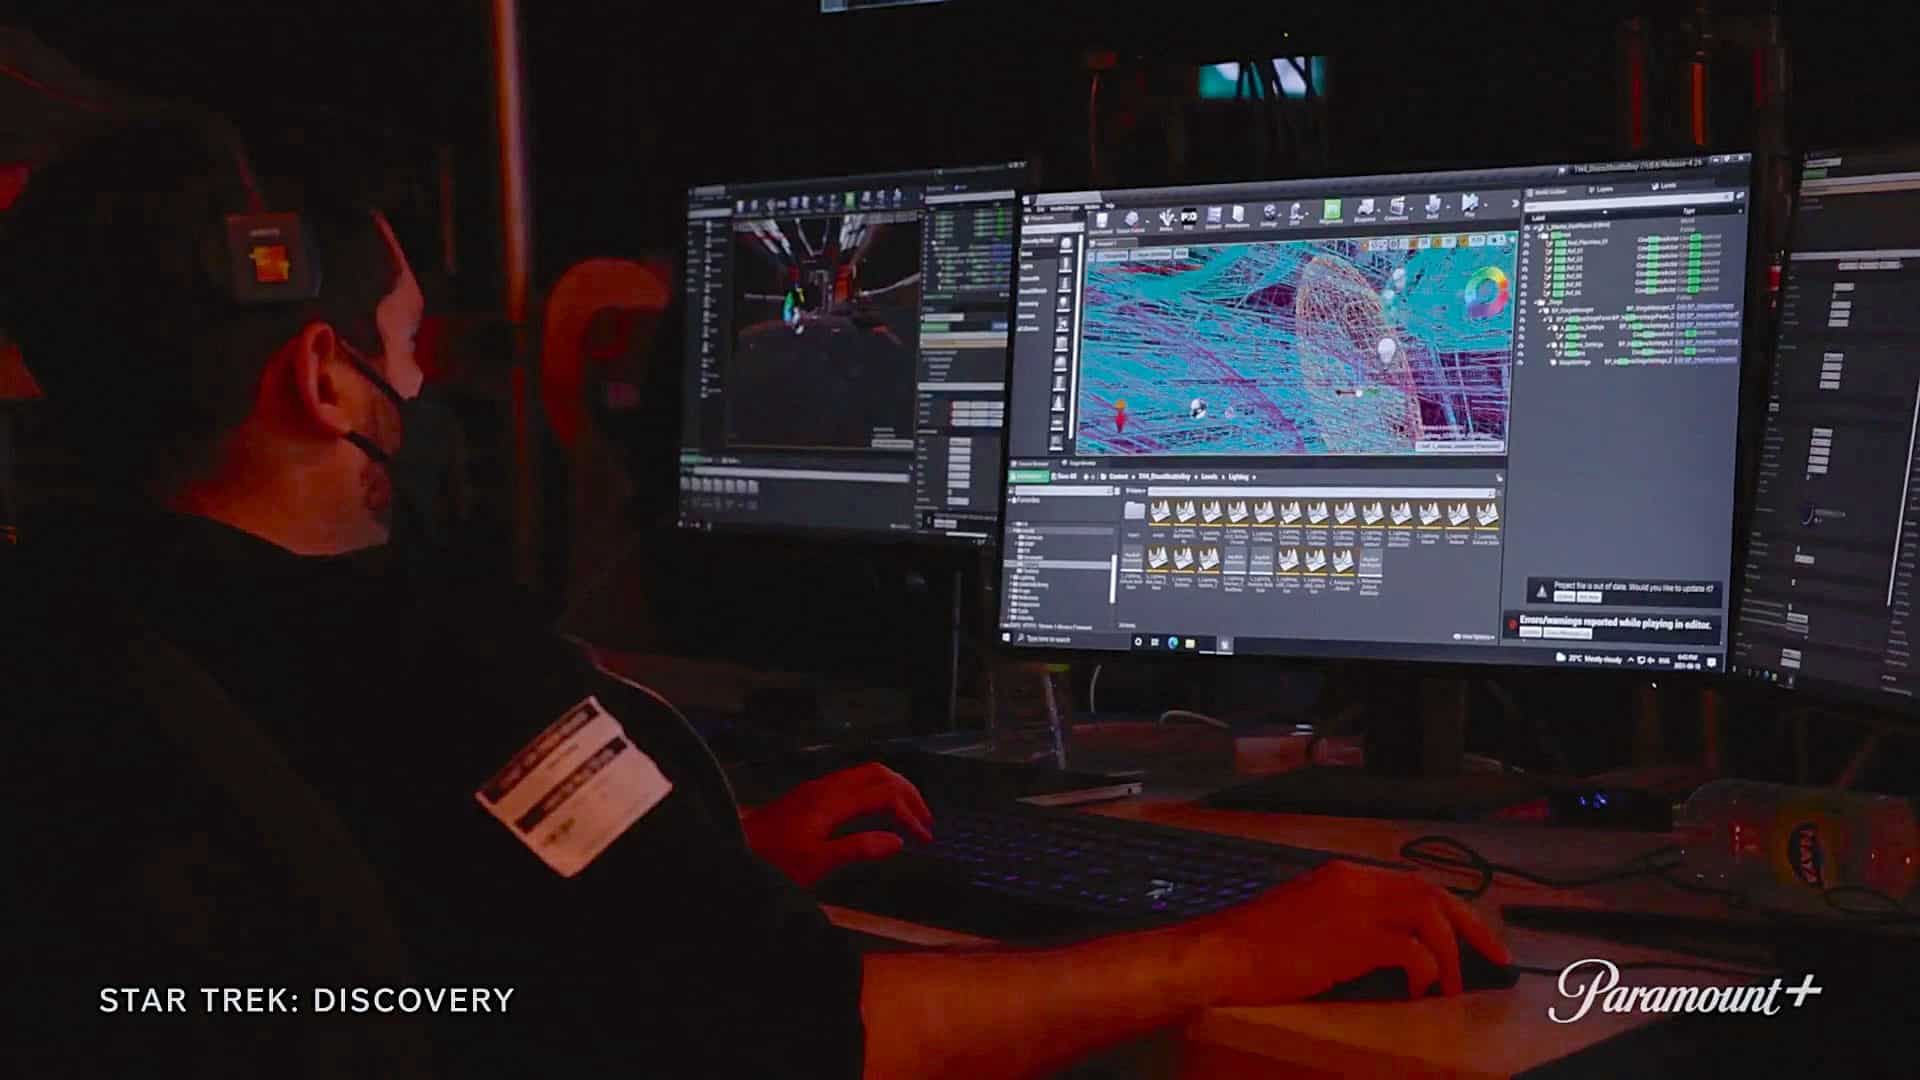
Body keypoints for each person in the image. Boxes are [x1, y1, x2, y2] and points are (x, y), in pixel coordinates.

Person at [2, 108, 1508, 1079]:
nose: (426, 383)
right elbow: (815, 1034)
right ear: (325, 382)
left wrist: (688, 872)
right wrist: (1233, 949)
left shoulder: (71, 623)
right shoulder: (435, 657)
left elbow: (367, 952)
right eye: (408, 345)